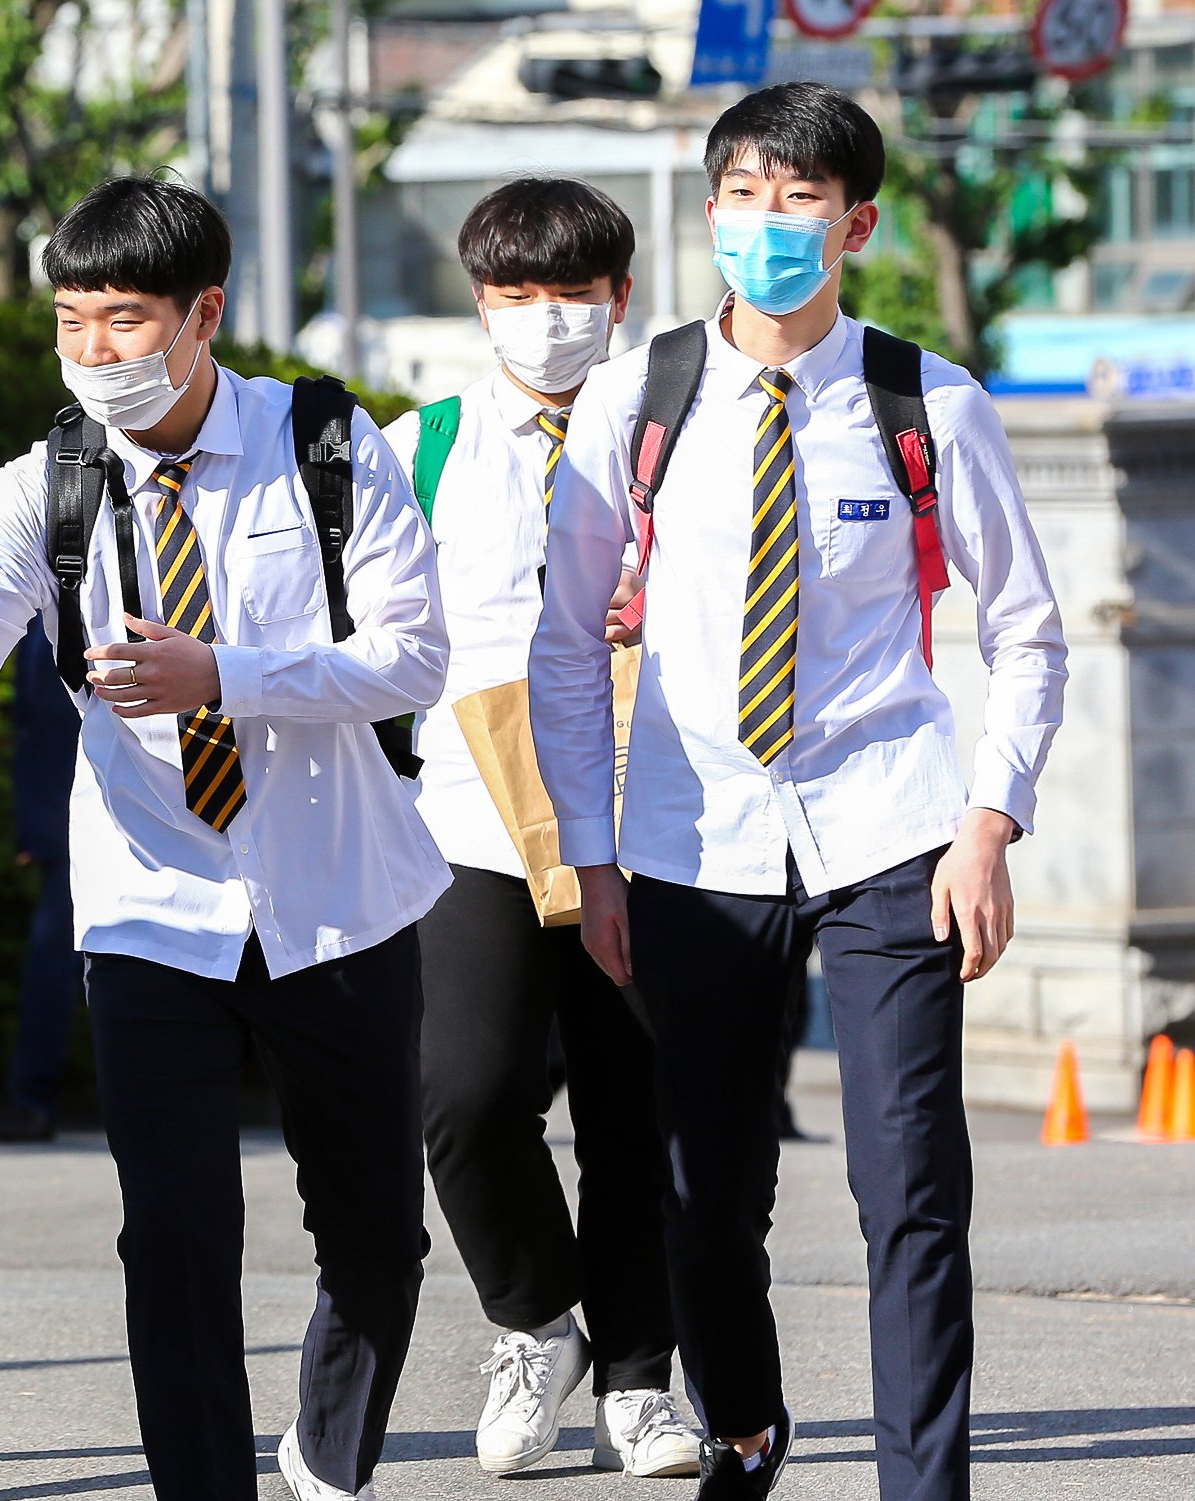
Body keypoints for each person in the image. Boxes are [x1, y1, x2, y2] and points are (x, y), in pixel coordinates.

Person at [531, 83, 1068, 1501]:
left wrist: (989, 822)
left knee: (911, 1192)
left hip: (894, 826)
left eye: (804, 199)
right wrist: (591, 859)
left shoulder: (926, 400)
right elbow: (567, 647)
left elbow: (1027, 632)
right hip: (694, 843)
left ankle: (922, 1486)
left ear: (859, 222)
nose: (773, 225)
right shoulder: (636, 401)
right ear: (710, 216)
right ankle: (748, 1429)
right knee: (706, 1201)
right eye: (749, 197)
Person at [0, 175, 450, 1501]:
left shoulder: (323, 442)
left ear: (204, 315)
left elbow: (414, 654)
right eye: (71, 322)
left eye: (124, 321)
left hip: (339, 898)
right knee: (177, 1238)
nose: (94, 354)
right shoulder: (46, 484)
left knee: (377, 1238)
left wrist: (229, 676)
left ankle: (325, 1444)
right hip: (150, 909)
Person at [383, 177, 702, 1481]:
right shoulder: (423, 446)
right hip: (473, 821)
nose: (549, 319)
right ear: (480, 301)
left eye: (575, 293)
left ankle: (640, 1376)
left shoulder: (683, 437)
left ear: (620, 299)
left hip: (651, 815)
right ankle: (533, 1321)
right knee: (464, 1092)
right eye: (518, 293)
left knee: (640, 1106)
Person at [0, 615, 85, 1144]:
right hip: (70, 822)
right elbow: (39, 719)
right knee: (55, 962)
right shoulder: (50, 601)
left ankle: (33, 1100)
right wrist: (38, 828)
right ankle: (32, 1099)